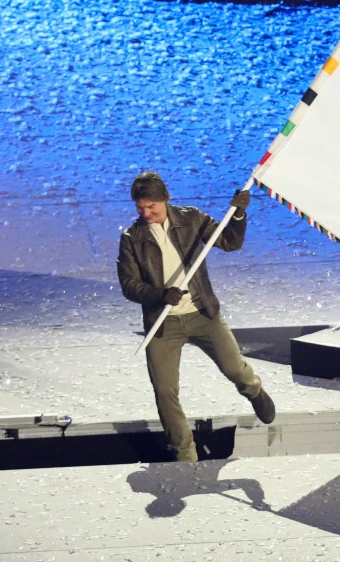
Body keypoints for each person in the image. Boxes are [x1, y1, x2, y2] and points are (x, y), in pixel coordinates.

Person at [117, 171, 276, 463]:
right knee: (165, 391)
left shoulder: (191, 219)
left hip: (203, 313)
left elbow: (229, 242)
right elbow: (129, 285)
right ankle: (184, 453)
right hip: (163, 323)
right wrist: (160, 295)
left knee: (234, 368)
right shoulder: (132, 238)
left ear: (165, 198)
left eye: (151, 206)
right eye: (140, 208)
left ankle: (254, 391)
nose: (146, 213)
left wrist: (239, 215)